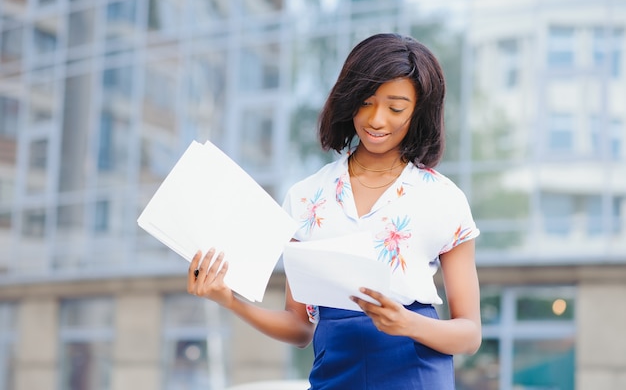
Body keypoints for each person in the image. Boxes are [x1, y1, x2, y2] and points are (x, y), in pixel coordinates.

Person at [187, 33, 481, 389]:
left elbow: (469, 334)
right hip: (335, 374)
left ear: (418, 111)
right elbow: (299, 328)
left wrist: (406, 324)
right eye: (366, 102)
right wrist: (230, 301)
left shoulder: (444, 198)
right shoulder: (306, 197)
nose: (376, 119)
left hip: (416, 374)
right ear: (349, 101)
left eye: (396, 108)